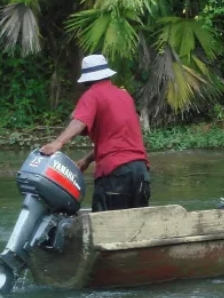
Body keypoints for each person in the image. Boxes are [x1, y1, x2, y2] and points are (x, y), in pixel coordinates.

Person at [39, 54, 150, 212]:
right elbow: (117, 140)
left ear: (86, 80)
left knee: (105, 227)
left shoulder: (92, 95)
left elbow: (79, 122)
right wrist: (87, 160)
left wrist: (58, 143)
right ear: (107, 75)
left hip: (115, 173)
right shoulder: (125, 97)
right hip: (141, 172)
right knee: (137, 225)